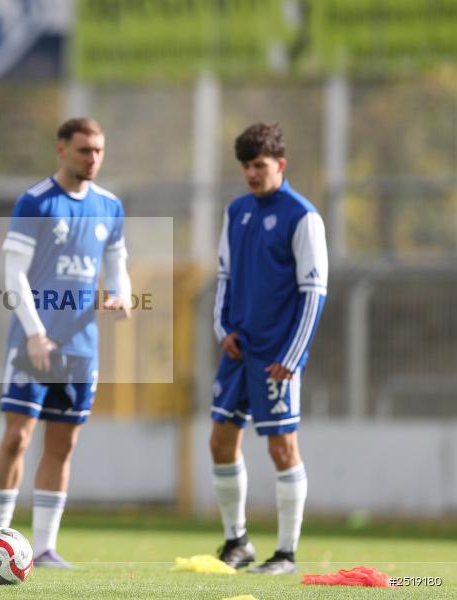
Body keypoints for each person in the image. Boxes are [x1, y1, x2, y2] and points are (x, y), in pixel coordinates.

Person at [0, 117, 132, 568]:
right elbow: (14, 276)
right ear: (61, 150)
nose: (93, 158)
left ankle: (45, 546)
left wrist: (121, 294)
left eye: (99, 150)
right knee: (17, 437)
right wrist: (34, 333)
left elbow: (117, 263)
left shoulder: (109, 207)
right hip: (33, 344)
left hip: (80, 349)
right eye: (84, 149)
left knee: (62, 444)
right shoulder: (35, 202)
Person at [210, 123, 328, 575]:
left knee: (282, 447)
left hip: (277, 356)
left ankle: (286, 553)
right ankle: (237, 541)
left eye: (259, 165)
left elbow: (314, 291)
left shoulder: (303, 216)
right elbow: (222, 277)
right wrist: (224, 329)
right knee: (220, 441)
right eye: (245, 166)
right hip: (238, 349)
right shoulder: (236, 211)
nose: (251, 174)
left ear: (280, 164)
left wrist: (294, 356)